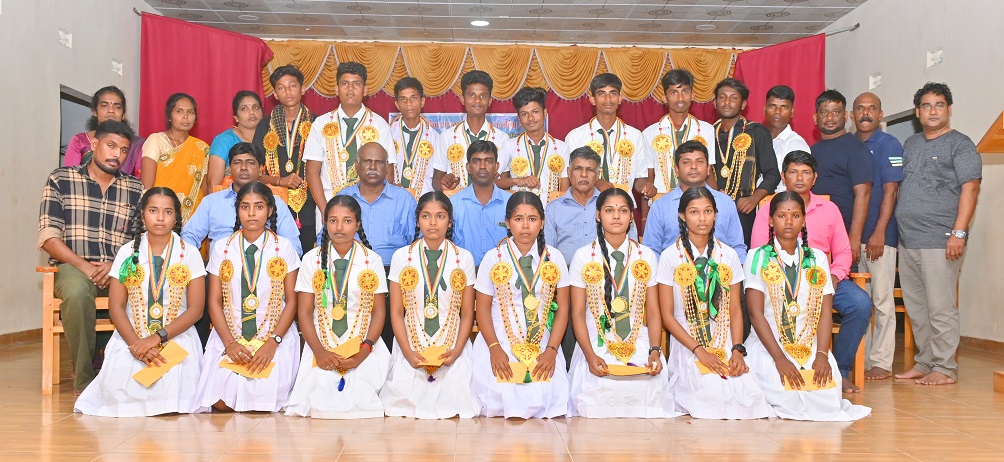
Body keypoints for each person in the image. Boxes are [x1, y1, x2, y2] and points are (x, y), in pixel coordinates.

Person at [74, 188, 206, 416]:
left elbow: (195, 310)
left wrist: (156, 338)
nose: (160, 218)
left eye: (167, 212)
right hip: (132, 335)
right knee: (120, 388)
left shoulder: (190, 254)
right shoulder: (127, 253)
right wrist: (137, 345)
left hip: (175, 334)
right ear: (142, 214)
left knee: (174, 385)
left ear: (176, 217)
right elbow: (116, 307)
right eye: (153, 211)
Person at [751, 151, 872, 394]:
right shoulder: (769, 209)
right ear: (783, 176)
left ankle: (839, 370)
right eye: (793, 172)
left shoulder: (829, 209)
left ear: (815, 178)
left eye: (806, 173)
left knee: (860, 304)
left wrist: (833, 277)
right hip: (781, 282)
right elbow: (758, 252)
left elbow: (843, 252)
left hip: (823, 280)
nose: (799, 178)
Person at [39, 120, 144, 393]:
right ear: (94, 144)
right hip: (73, 265)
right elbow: (49, 237)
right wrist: (84, 266)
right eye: (111, 146)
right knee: (76, 293)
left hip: (119, 268)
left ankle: (133, 373)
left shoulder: (135, 189)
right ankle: (85, 380)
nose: (117, 154)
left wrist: (116, 265)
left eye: (123, 150)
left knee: (148, 290)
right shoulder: (61, 179)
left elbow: (142, 241)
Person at [894, 83, 982, 386]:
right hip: (908, 240)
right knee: (917, 308)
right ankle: (925, 362)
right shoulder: (910, 144)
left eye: (939, 105)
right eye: (927, 105)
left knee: (940, 307)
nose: (933, 111)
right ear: (917, 112)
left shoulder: (960, 144)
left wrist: (958, 233)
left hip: (941, 239)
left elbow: (971, 189)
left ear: (949, 110)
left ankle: (944, 368)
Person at [656, 186, 770, 419]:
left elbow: (735, 310)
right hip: (687, 339)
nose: (702, 218)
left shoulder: (728, 255)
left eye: (708, 211)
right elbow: (667, 315)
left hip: (723, 336)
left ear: (716, 214)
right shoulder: (670, 256)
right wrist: (699, 350)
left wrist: (737, 349)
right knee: (712, 388)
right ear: (682, 216)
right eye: (694, 212)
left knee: (749, 393)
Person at [567, 188, 675, 418]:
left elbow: (653, 312)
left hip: (637, 337)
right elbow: (577, 313)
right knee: (599, 388)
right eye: (609, 210)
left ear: (631, 217)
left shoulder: (645, 256)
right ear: (598, 215)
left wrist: (655, 350)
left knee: (647, 385)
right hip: (596, 338)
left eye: (623, 210)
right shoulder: (583, 256)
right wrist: (589, 355)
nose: (616, 216)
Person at [194, 183, 301, 412]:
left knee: (262, 402)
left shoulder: (284, 247)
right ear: (237, 210)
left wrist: (272, 343)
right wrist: (230, 343)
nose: (251, 213)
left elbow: (292, 301)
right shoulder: (222, 248)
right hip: (230, 332)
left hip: (274, 332)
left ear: (270, 211)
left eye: (259, 207)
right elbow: (214, 302)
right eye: (245, 207)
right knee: (221, 403)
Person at [182, 144, 303, 344]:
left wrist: (268, 259)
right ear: (229, 168)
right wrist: (197, 267)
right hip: (220, 272)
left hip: (266, 271)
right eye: (238, 163)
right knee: (200, 287)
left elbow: (294, 247)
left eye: (250, 163)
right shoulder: (212, 202)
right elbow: (189, 237)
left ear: (261, 168)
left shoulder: (275, 203)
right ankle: (208, 347)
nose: (244, 168)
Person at [285, 196, 390, 418]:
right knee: (317, 400)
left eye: (347, 221)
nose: (339, 227)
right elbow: (304, 311)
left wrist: (365, 350)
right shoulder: (311, 260)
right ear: (325, 223)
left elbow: (379, 311)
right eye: (333, 220)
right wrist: (320, 352)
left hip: (363, 342)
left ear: (358, 225)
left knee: (365, 401)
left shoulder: (372, 261)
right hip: (321, 342)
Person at [380, 192, 480, 419]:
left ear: (450, 221)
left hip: (452, 340)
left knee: (458, 401)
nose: (433, 222)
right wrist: (407, 351)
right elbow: (396, 311)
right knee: (402, 402)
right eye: (426, 216)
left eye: (440, 216)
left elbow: (467, 313)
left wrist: (457, 350)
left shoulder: (463, 258)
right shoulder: (401, 257)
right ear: (417, 220)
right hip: (411, 339)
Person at [472, 192, 570, 418]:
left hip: (541, 339)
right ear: (507, 223)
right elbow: (483, 309)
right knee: (497, 392)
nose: (525, 226)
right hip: (499, 337)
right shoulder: (493, 258)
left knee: (550, 394)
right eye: (518, 219)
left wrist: (551, 351)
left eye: (532, 219)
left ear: (542, 222)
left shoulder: (554, 258)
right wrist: (494, 348)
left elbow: (563, 308)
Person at [544, 147, 637, 363]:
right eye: (578, 169)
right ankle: (569, 365)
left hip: (611, 277)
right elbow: (548, 254)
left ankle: (615, 358)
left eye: (590, 170)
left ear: (598, 175)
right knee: (565, 305)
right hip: (567, 279)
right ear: (569, 172)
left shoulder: (610, 205)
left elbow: (632, 247)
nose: (584, 175)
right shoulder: (554, 208)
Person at [852, 92, 904, 381]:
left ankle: (882, 361)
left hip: (879, 237)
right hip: (852, 238)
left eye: (872, 108)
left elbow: (891, 190)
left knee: (882, 300)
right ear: (852, 115)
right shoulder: (849, 145)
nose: (866, 113)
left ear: (880, 114)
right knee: (861, 303)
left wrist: (880, 231)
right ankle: (863, 358)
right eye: (860, 108)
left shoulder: (888, 144)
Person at [305, 61, 395, 229]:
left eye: (356, 84)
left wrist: (375, 207)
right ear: (336, 89)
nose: (350, 89)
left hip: (368, 205)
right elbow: (312, 171)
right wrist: (325, 210)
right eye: (345, 84)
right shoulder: (321, 124)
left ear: (365, 90)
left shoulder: (379, 125)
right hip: (329, 202)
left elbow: (388, 171)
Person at [645, 140, 747, 260]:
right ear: (676, 169)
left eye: (699, 161)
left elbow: (737, 247)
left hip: (720, 269)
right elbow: (652, 251)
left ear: (708, 168)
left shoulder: (725, 202)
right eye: (687, 162)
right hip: (674, 270)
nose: (693, 166)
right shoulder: (660, 206)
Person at [253, 65, 317, 253]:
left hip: (308, 206)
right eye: (281, 87)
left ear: (302, 89)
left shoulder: (317, 123)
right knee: (274, 257)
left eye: (292, 86)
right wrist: (280, 181)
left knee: (306, 258)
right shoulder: (265, 125)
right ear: (275, 94)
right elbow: (255, 171)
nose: (287, 92)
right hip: (273, 204)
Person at [711, 78, 781, 245]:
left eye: (734, 98)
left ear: (743, 104)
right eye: (722, 97)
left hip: (743, 210)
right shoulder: (708, 132)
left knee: (741, 254)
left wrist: (754, 198)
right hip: (712, 209)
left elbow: (773, 175)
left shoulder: (756, 131)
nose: (727, 102)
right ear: (715, 102)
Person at [565, 73, 653, 202]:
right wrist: (597, 182)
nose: (608, 99)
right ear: (592, 99)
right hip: (587, 205)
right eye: (601, 94)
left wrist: (645, 187)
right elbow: (572, 175)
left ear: (620, 98)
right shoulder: (576, 136)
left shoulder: (635, 135)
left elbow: (640, 177)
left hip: (623, 206)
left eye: (613, 93)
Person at [809, 89, 873, 264]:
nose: (830, 117)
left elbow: (863, 194)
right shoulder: (812, 150)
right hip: (817, 234)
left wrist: (854, 238)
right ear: (815, 118)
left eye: (836, 112)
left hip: (843, 235)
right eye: (824, 112)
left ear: (845, 116)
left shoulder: (856, 149)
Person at [432, 70, 514, 192]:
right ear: (462, 99)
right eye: (471, 95)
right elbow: (436, 181)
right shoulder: (447, 136)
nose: (477, 100)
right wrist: (445, 184)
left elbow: (505, 184)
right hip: (456, 202)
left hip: (489, 202)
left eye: (483, 96)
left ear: (490, 101)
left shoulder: (502, 139)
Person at [643, 69, 716, 193]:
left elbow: (709, 172)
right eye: (674, 92)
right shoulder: (650, 133)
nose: (680, 98)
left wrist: (717, 198)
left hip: (696, 198)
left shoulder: (706, 130)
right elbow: (649, 178)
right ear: (664, 98)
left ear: (692, 95)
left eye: (685, 91)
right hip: (662, 198)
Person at [141, 92, 211, 223]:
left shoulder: (202, 147)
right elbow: (147, 186)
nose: (185, 116)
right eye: (179, 111)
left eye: (190, 112)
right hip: (161, 214)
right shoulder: (156, 140)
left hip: (194, 219)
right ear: (169, 116)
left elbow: (203, 188)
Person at [498, 86, 569, 205]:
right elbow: (490, 182)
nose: (530, 118)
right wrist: (517, 181)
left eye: (535, 112)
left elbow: (564, 191)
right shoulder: (510, 146)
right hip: (520, 211)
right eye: (524, 114)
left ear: (544, 113)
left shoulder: (561, 147)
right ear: (519, 119)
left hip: (551, 211)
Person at [450, 140, 512, 266]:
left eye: (488, 161)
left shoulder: (511, 203)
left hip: (503, 273)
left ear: (497, 166)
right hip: (463, 273)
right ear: (468, 167)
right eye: (476, 161)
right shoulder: (453, 204)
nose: (483, 166)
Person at [64, 85, 144, 177]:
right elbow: (69, 177)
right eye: (104, 106)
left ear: (123, 114)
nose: (111, 110)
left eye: (117, 107)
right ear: (95, 111)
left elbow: (140, 179)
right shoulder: (79, 141)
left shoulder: (136, 145)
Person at [389, 77, 440, 199]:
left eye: (414, 98)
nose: (409, 103)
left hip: (423, 201)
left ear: (422, 101)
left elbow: (437, 178)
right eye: (403, 99)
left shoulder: (435, 137)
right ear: (397, 104)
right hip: (393, 199)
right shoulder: (387, 133)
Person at [207, 91, 263, 188]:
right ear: (236, 117)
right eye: (244, 108)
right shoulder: (224, 140)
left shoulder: (271, 139)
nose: (252, 112)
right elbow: (214, 185)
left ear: (262, 113)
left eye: (256, 107)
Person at [764, 85, 811, 193]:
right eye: (772, 106)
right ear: (764, 109)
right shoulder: (757, 139)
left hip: (783, 202)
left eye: (784, 107)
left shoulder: (795, 144)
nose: (777, 111)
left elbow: (800, 185)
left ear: (792, 112)